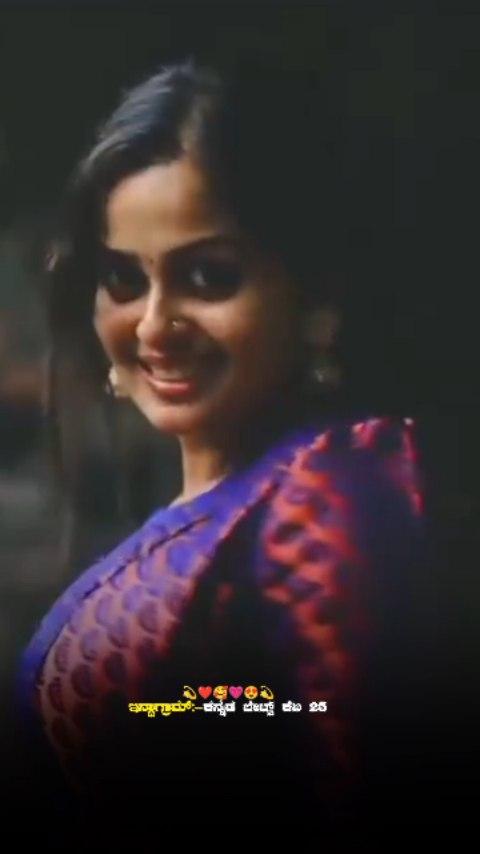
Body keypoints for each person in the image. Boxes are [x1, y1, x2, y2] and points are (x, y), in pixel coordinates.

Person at [14, 56, 428, 839]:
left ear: (316, 296)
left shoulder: (329, 488)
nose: (152, 326)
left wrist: (172, 710)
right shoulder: (208, 511)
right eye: (124, 279)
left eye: (208, 277)